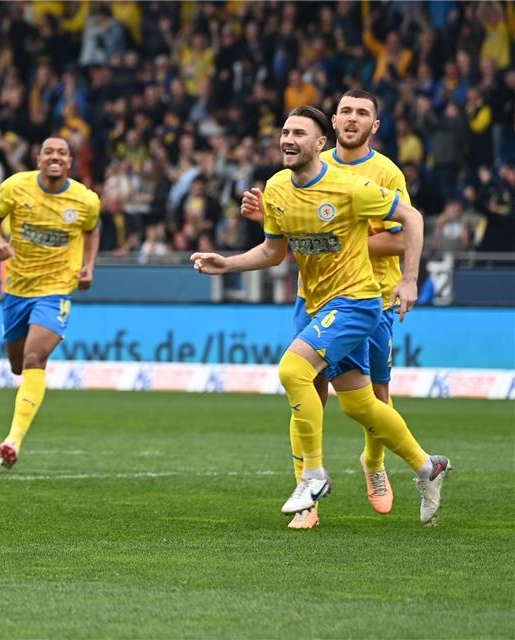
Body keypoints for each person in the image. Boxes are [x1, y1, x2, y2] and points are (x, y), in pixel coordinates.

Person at [193, 107, 450, 527]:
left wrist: (409, 280)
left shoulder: (351, 188)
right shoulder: (276, 187)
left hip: (357, 302)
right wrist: (228, 264)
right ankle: (427, 467)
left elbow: (412, 218)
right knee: (359, 404)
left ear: (320, 144)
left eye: (299, 133)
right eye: (284, 132)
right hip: (316, 303)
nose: (288, 139)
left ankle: (312, 478)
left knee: (293, 370)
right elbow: (273, 251)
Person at [242, 90, 411, 529]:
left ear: (375, 126)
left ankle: (374, 462)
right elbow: (287, 233)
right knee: (304, 386)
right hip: (314, 295)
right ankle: (308, 499)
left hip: (370, 293)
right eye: (346, 112)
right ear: (332, 124)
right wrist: (271, 216)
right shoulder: (305, 163)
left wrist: (337, 234)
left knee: (373, 397)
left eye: (363, 114)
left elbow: (400, 234)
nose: (353, 119)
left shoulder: (384, 172)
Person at [0, 136, 100, 469]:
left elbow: (92, 229)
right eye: (49, 151)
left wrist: (88, 265)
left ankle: (13, 439)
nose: (55, 156)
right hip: (17, 288)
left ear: (70, 161)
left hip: (56, 289)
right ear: (39, 158)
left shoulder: (85, 200)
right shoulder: (15, 187)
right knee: (17, 365)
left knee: (35, 357)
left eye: (62, 152)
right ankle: (19, 420)